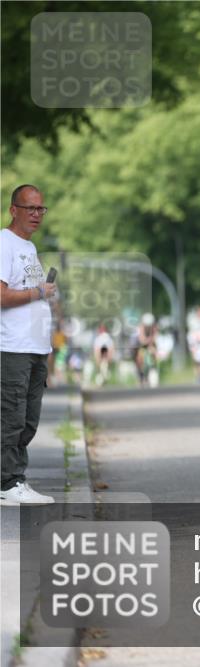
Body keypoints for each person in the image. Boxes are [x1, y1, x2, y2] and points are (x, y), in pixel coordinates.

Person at [1, 184, 56, 505]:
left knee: (28, 420)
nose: (37, 214)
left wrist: (45, 294)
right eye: (30, 208)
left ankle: (12, 479)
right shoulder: (3, 243)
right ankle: (8, 482)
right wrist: (39, 293)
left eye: (41, 209)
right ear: (13, 210)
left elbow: (34, 292)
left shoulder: (29, 248)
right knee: (11, 416)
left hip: (35, 347)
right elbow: (2, 296)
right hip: (12, 347)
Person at [133, 313, 158, 386]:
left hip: (150, 345)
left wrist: (151, 344)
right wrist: (149, 340)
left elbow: (154, 337)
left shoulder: (154, 327)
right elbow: (142, 340)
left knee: (153, 353)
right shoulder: (141, 327)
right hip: (141, 345)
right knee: (139, 357)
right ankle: (140, 375)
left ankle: (153, 370)